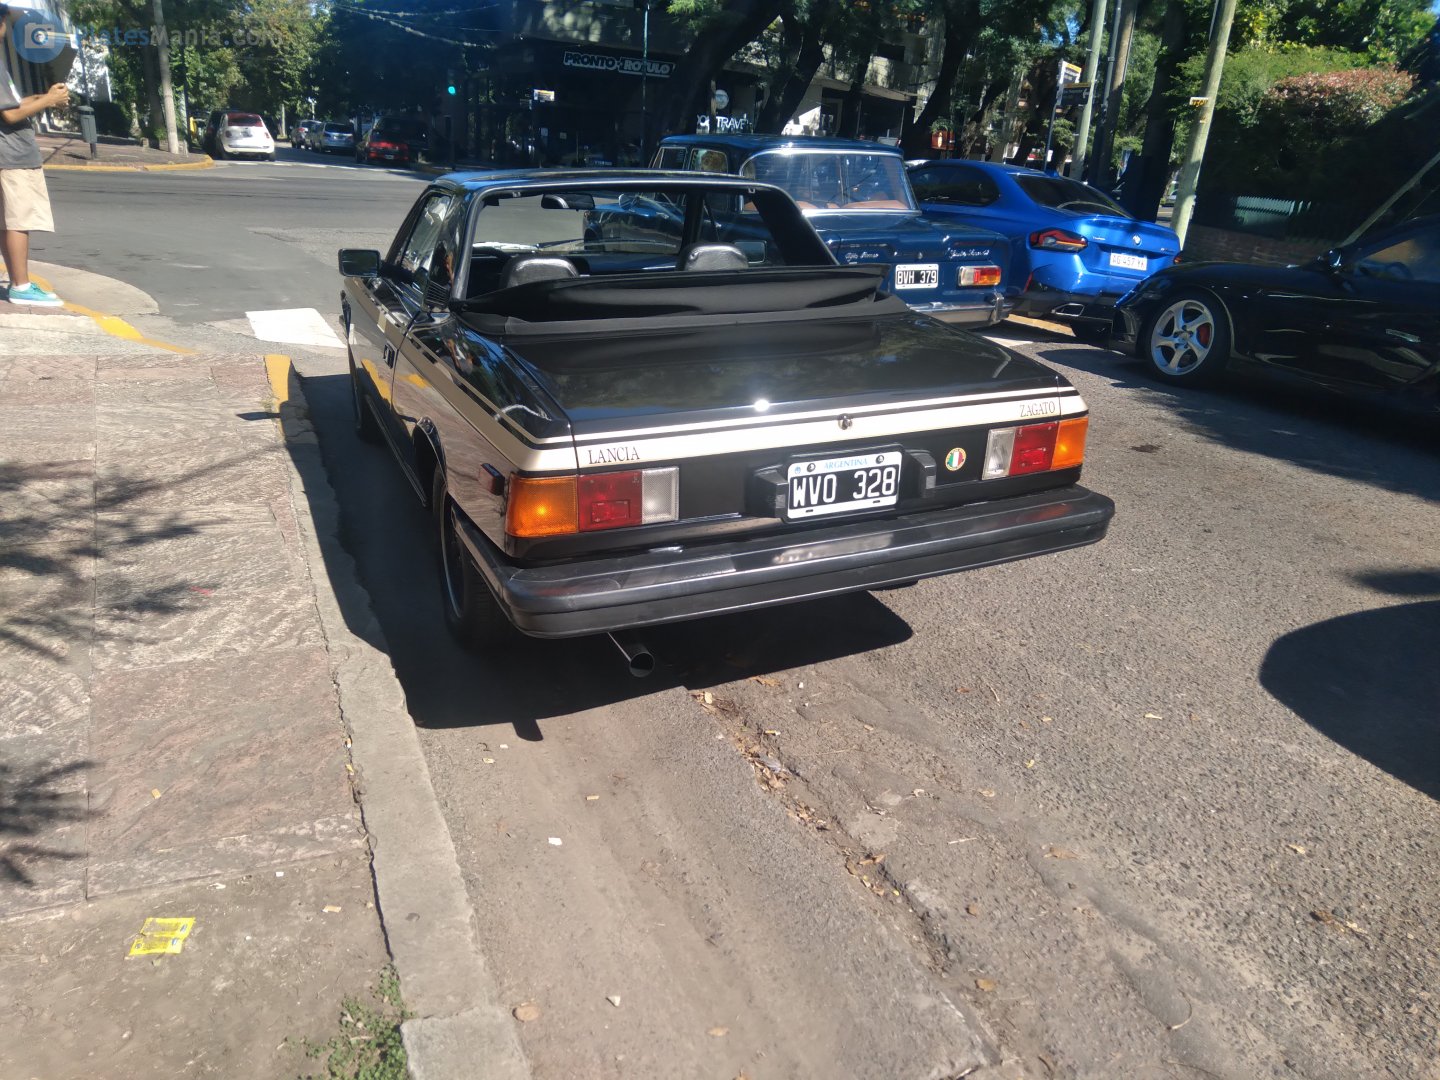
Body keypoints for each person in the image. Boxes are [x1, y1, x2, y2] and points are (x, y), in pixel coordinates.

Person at [0, 4, 68, 306]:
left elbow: (12, 104)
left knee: (8, 221)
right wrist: (49, 100)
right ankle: (21, 286)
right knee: (17, 220)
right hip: (12, 153)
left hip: (9, 153)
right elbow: (10, 115)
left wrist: (44, 97)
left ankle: (19, 283)